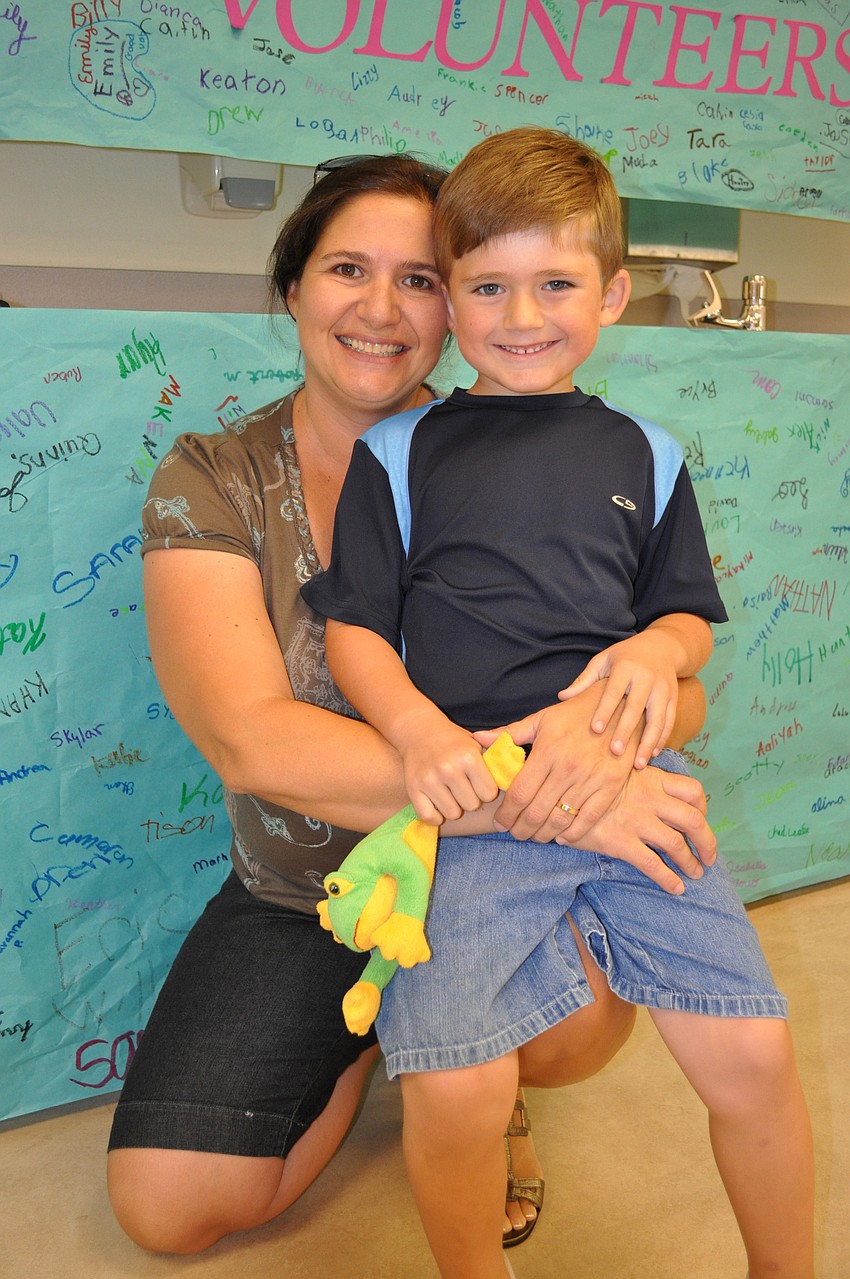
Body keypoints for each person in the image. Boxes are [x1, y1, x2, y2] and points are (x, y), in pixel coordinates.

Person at [106, 152, 719, 1259]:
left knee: (580, 1021)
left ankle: (470, 1066)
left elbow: (680, 692)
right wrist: (556, 798)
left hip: (495, 876)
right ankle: (377, 1036)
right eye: (347, 268)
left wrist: (631, 719)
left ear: (461, 298)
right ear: (292, 287)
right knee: (168, 1207)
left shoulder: (536, 451)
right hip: (310, 886)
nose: (383, 309)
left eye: (421, 278)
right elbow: (251, 742)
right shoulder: (210, 477)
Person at [302, 129, 815, 1279]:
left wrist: (652, 647)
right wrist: (421, 732)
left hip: (635, 788)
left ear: (614, 294)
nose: (518, 313)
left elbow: (685, 617)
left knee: (751, 1050)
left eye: (555, 283)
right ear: (451, 292)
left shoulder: (649, 450)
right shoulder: (398, 451)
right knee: (457, 1081)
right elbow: (352, 629)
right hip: (472, 809)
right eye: (485, 284)